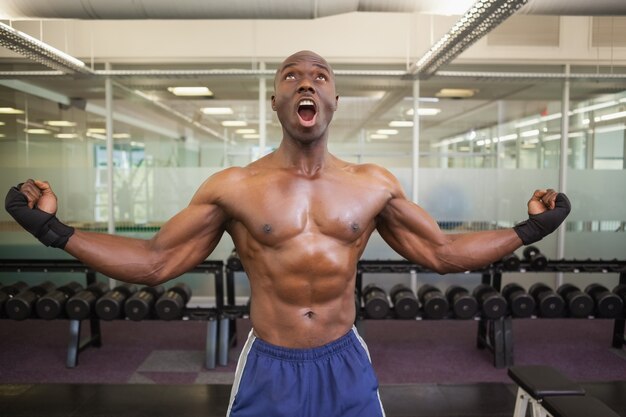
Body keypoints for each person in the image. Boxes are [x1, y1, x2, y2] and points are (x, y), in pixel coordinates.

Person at [5, 50, 571, 417]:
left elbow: (444, 253)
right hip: (269, 363)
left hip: (345, 358)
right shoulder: (235, 187)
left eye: (320, 76)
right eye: (292, 77)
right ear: (276, 99)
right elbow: (157, 262)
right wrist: (53, 230)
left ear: (333, 101)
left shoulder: (372, 185)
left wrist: (528, 229)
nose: (307, 82)